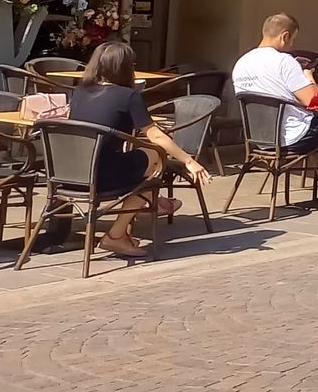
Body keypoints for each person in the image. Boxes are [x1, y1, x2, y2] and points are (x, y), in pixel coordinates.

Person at [64, 41, 211, 259]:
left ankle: (152, 202)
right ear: (125, 67)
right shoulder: (128, 96)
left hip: (67, 174)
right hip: (101, 177)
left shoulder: (80, 92)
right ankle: (118, 233)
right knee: (154, 157)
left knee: (147, 161)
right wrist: (189, 160)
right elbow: (156, 135)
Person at [232, 12, 318, 209]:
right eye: (292, 40)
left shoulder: (242, 63)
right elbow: (313, 101)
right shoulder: (284, 61)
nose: (292, 46)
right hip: (294, 137)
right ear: (284, 36)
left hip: (260, 138)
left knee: (313, 120)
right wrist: (309, 77)